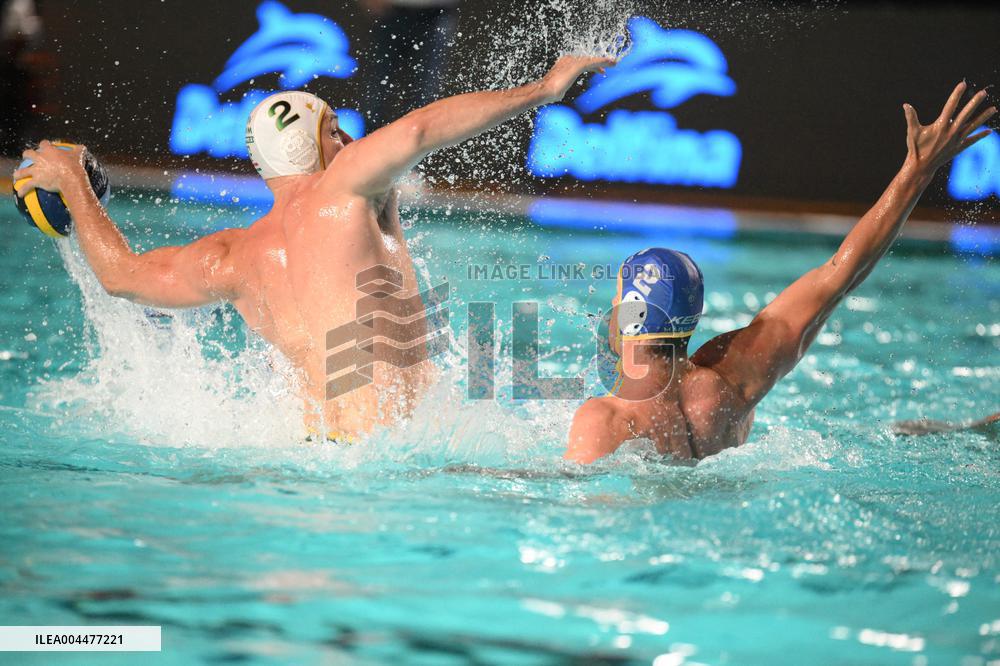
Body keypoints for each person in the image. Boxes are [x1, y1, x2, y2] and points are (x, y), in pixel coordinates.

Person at [13, 54, 615, 441]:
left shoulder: (233, 255)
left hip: (312, 459)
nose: (349, 136)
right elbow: (420, 129)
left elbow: (119, 275)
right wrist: (544, 87)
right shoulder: (346, 186)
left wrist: (74, 187)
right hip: (394, 459)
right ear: (315, 145)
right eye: (334, 129)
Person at [565, 82, 995, 463]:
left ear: (630, 317)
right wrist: (916, 173)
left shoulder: (605, 419)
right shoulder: (735, 380)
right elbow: (838, 274)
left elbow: (573, 505)